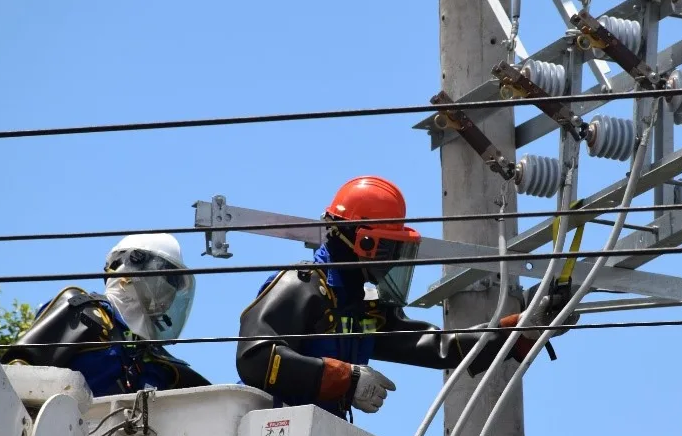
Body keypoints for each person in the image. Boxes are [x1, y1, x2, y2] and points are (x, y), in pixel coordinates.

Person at [235, 175, 577, 420]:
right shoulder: (303, 285)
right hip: (267, 435)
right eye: (388, 247)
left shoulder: (361, 308)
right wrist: (343, 379)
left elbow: (438, 345)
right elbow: (255, 357)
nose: (391, 260)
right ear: (363, 242)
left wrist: (519, 331)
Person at [0, 233, 210, 397]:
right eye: (168, 277)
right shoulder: (85, 314)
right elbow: (19, 370)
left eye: (176, 283)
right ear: (131, 264)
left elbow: (214, 406)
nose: (171, 290)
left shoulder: (163, 364)